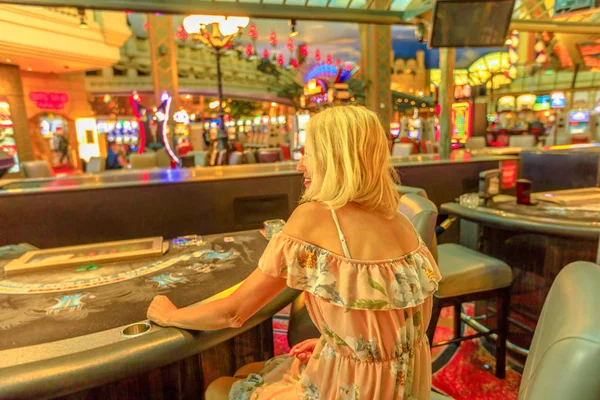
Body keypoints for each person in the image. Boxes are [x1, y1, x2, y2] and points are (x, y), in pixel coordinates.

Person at [147, 105, 441, 399]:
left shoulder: (316, 217)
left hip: (353, 390)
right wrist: (341, 343)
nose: (300, 165)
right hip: (404, 385)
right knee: (248, 371)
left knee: (218, 388)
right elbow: (394, 321)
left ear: (334, 159)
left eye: (308, 153)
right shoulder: (400, 220)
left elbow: (233, 313)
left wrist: (171, 315)